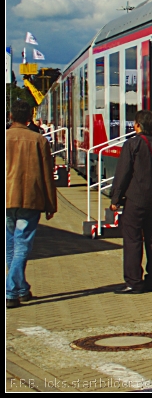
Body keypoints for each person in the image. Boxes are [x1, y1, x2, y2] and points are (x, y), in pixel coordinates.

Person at [109, 110, 152, 294]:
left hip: (135, 200)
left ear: (137, 125)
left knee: (133, 240)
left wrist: (116, 198)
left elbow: (123, 173)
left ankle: (134, 282)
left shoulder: (132, 144)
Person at [6, 99, 57, 308]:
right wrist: (51, 204)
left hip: (7, 199)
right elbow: (47, 175)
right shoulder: (39, 140)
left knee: (11, 245)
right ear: (29, 118)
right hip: (30, 198)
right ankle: (11, 291)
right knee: (22, 245)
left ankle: (21, 289)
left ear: (10, 116)